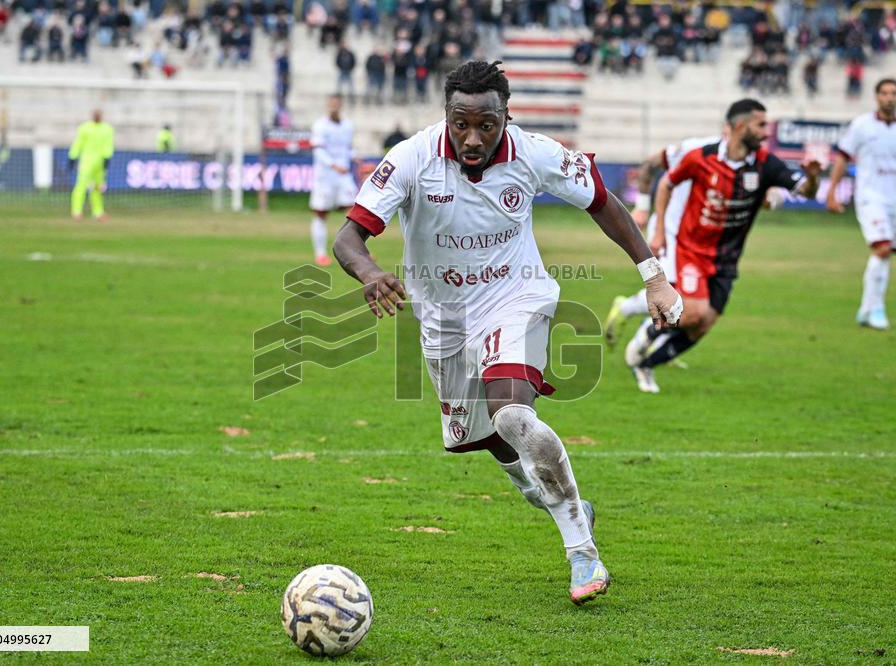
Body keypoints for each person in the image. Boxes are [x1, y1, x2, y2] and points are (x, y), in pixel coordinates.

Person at [332, 61, 683, 604]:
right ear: (446, 116)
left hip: (514, 297)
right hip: (442, 315)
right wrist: (371, 272)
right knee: (486, 438)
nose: (473, 138)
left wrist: (653, 276)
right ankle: (548, 494)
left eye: (486, 125)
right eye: (460, 123)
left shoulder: (536, 153)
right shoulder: (411, 158)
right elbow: (348, 238)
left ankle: (582, 551)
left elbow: (602, 203)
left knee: (514, 413)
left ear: (505, 118)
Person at [624, 99, 821, 393]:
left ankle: (647, 363)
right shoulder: (701, 156)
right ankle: (646, 334)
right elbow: (666, 183)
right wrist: (660, 230)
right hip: (691, 248)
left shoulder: (766, 164)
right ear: (740, 126)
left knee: (703, 324)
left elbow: (803, 190)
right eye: (761, 125)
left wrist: (814, 178)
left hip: (727, 257)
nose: (767, 132)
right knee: (691, 313)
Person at [826, 79, 896, 330]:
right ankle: (877, 309)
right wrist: (831, 191)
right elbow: (842, 157)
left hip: (895, 198)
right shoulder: (862, 125)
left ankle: (866, 308)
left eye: (894, 93)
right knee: (882, 248)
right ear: (876, 97)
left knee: (886, 254)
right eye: (885, 93)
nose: (889, 97)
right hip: (870, 196)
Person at [605, 134, 721, 350]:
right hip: (669, 232)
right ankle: (627, 309)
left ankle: (655, 343)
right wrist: (641, 206)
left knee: (690, 300)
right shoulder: (695, 149)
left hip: (697, 240)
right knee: (673, 293)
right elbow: (650, 164)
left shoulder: (743, 162)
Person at [309, 94, 357, 266]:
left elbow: (348, 149)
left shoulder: (347, 125)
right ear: (327, 106)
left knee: (355, 213)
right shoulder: (320, 126)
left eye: (337, 104)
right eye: (331, 104)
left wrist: (356, 159)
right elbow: (318, 151)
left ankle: (356, 252)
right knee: (321, 213)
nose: (334, 107)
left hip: (343, 176)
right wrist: (333, 165)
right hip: (325, 177)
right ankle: (320, 254)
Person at [68, 109, 114, 222]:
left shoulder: (107, 129)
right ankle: (76, 211)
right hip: (86, 162)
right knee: (81, 186)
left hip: (100, 162)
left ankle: (98, 212)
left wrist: (107, 158)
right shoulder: (85, 128)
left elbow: (108, 145)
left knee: (98, 188)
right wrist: (73, 156)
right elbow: (78, 143)